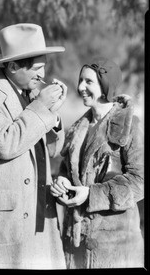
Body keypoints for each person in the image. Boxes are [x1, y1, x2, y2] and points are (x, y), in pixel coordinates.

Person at [0, 23, 68, 269]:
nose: (42, 75)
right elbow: (5, 143)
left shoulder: (31, 95)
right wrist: (41, 108)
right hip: (4, 220)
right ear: (12, 67)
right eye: (36, 69)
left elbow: (52, 151)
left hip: (38, 213)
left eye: (44, 67)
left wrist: (53, 115)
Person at [50, 57, 144, 268]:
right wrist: (62, 184)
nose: (80, 87)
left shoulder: (130, 126)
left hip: (115, 247)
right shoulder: (76, 129)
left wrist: (91, 195)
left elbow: (140, 181)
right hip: (76, 245)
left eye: (88, 82)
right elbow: (66, 170)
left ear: (105, 87)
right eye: (80, 80)